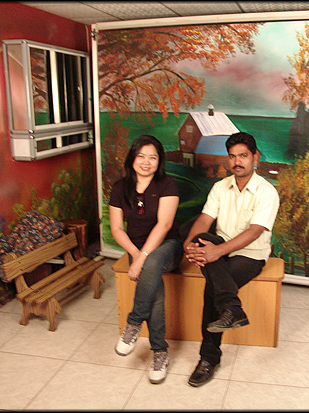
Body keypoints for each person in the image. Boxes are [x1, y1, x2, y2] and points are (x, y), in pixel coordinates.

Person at [183, 131, 280, 387]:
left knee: (212, 289)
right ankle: (233, 310)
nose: (237, 162)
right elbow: (205, 219)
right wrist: (189, 244)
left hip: (250, 255)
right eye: (233, 156)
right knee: (202, 237)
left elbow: (255, 232)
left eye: (243, 156)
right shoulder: (220, 187)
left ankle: (209, 359)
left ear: (255, 157)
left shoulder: (266, 192)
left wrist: (216, 252)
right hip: (219, 250)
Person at [109, 135, 183, 384]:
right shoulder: (120, 188)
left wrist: (141, 258)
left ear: (159, 161)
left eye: (153, 157)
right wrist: (136, 254)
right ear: (132, 158)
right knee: (154, 291)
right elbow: (117, 229)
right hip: (137, 249)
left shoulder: (167, 185)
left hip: (169, 246)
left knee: (150, 265)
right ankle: (160, 352)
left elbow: (165, 224)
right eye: (141, 156)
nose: (146, 162)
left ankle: (133, 322)